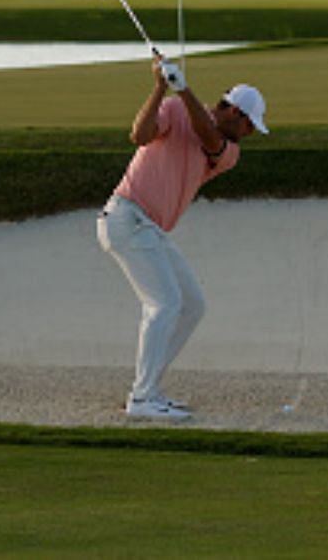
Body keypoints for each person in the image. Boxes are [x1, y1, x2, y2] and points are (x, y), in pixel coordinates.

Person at [97, 55, 269, 420]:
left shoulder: (229, 152)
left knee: (192, 305)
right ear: (235, 113)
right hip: (127, 218)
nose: (250, 133)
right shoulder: (174, 108)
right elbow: (139, 135)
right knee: (164, 304)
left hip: (151, 229)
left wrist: (184, 88)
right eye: (250, 124)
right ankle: (142, 399)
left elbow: (208, 137)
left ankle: (150, 389)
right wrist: (161, 87)